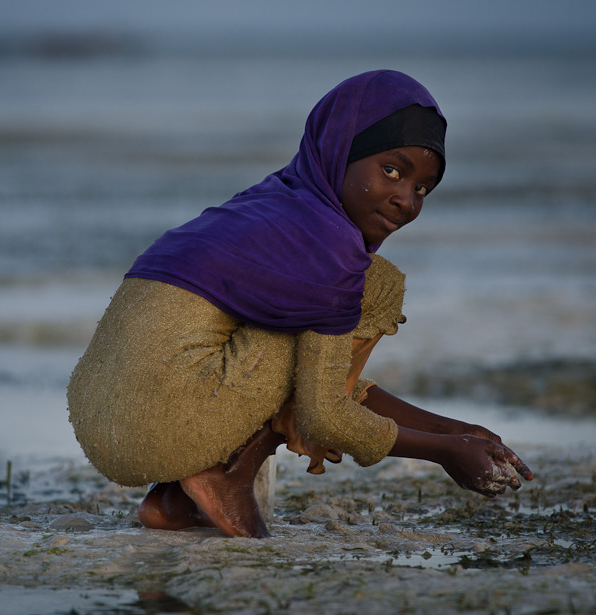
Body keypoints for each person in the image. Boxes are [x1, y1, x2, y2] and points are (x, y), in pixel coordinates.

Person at [67, 69, 533, 539]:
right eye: (392, 170)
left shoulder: (269, 207)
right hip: (169, 418)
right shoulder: (328, 252)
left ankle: (172, 497)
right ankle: (225, 477)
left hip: (102, 423)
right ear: (339, 150)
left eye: (422, 189)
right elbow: (323, 410)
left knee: (309, 345)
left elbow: (318, 379)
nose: (406, 202)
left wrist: (455, 431)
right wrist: (444, 452)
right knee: (378, 286)